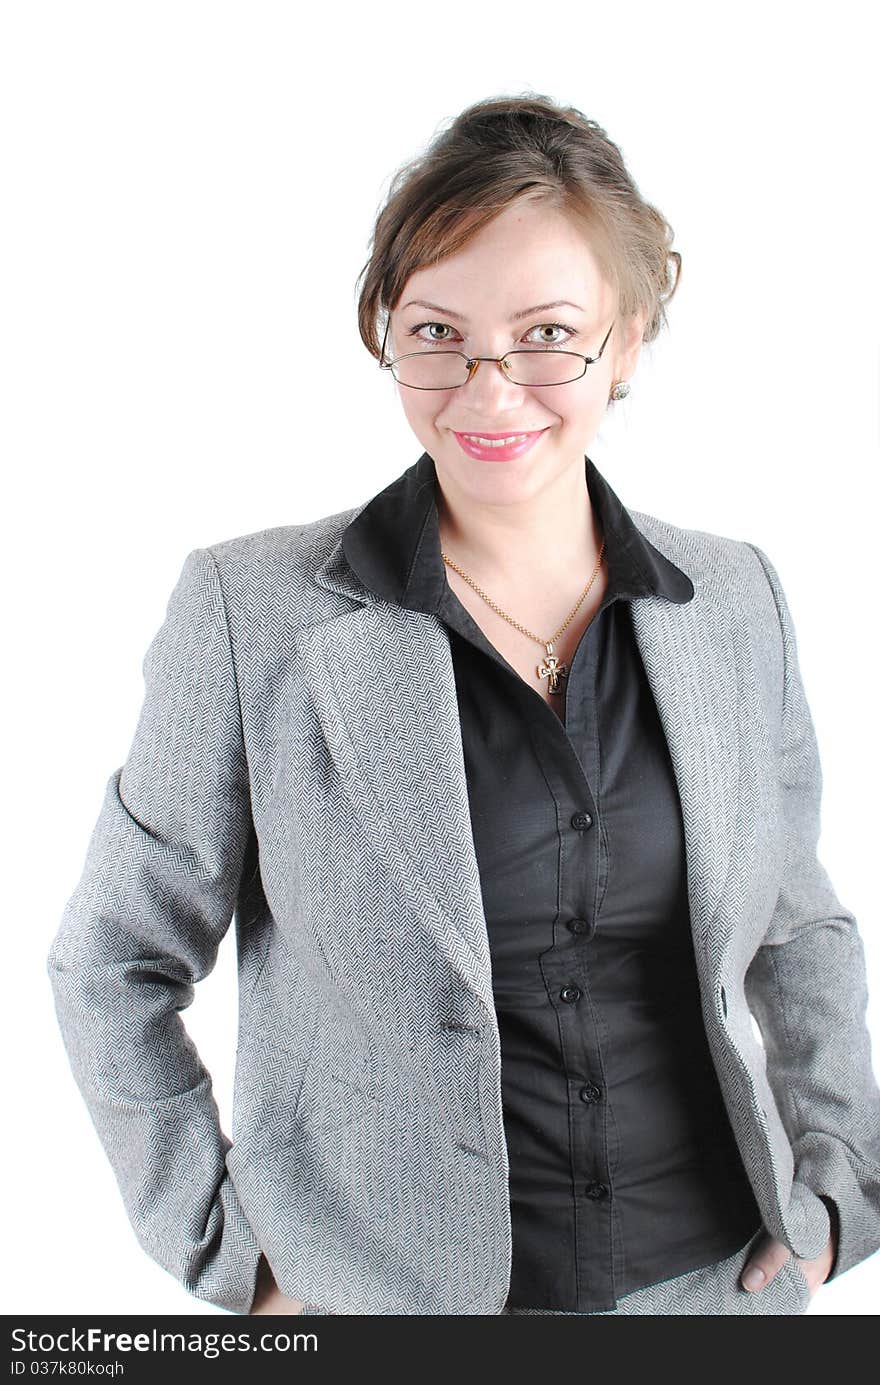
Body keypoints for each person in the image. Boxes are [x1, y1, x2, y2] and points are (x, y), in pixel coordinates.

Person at [47, 93, 880, 1317]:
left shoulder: (732, 598)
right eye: (437, 331)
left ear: (631, 339)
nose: (490, 391)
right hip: (383, 1302)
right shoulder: (251, 611)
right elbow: (113, 959)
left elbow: (798, 932)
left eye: (549, 333)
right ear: (387, 330)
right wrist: (236, 1260)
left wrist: (837, 1193)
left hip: (712, 1288)